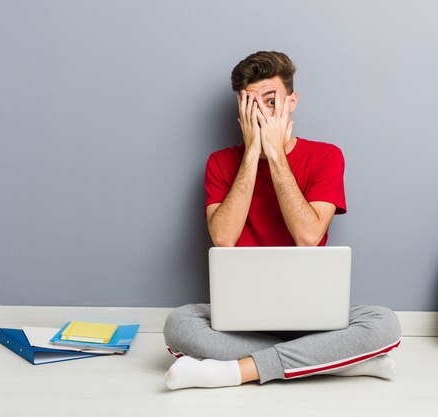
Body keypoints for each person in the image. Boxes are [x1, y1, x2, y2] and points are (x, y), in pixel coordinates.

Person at [163, 51, 402, 390]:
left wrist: (275, 154)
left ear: (292, 101)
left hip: (313, 318)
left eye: (271, 101)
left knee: (384, 323)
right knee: (179, 324)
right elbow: (224, 239)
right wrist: (252, 153)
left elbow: (308, 236)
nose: (261, 113)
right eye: (250, 103)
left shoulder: (326, 156)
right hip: (241, 319)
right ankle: (333, 363)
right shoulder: (220, 162)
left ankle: (235, 371)